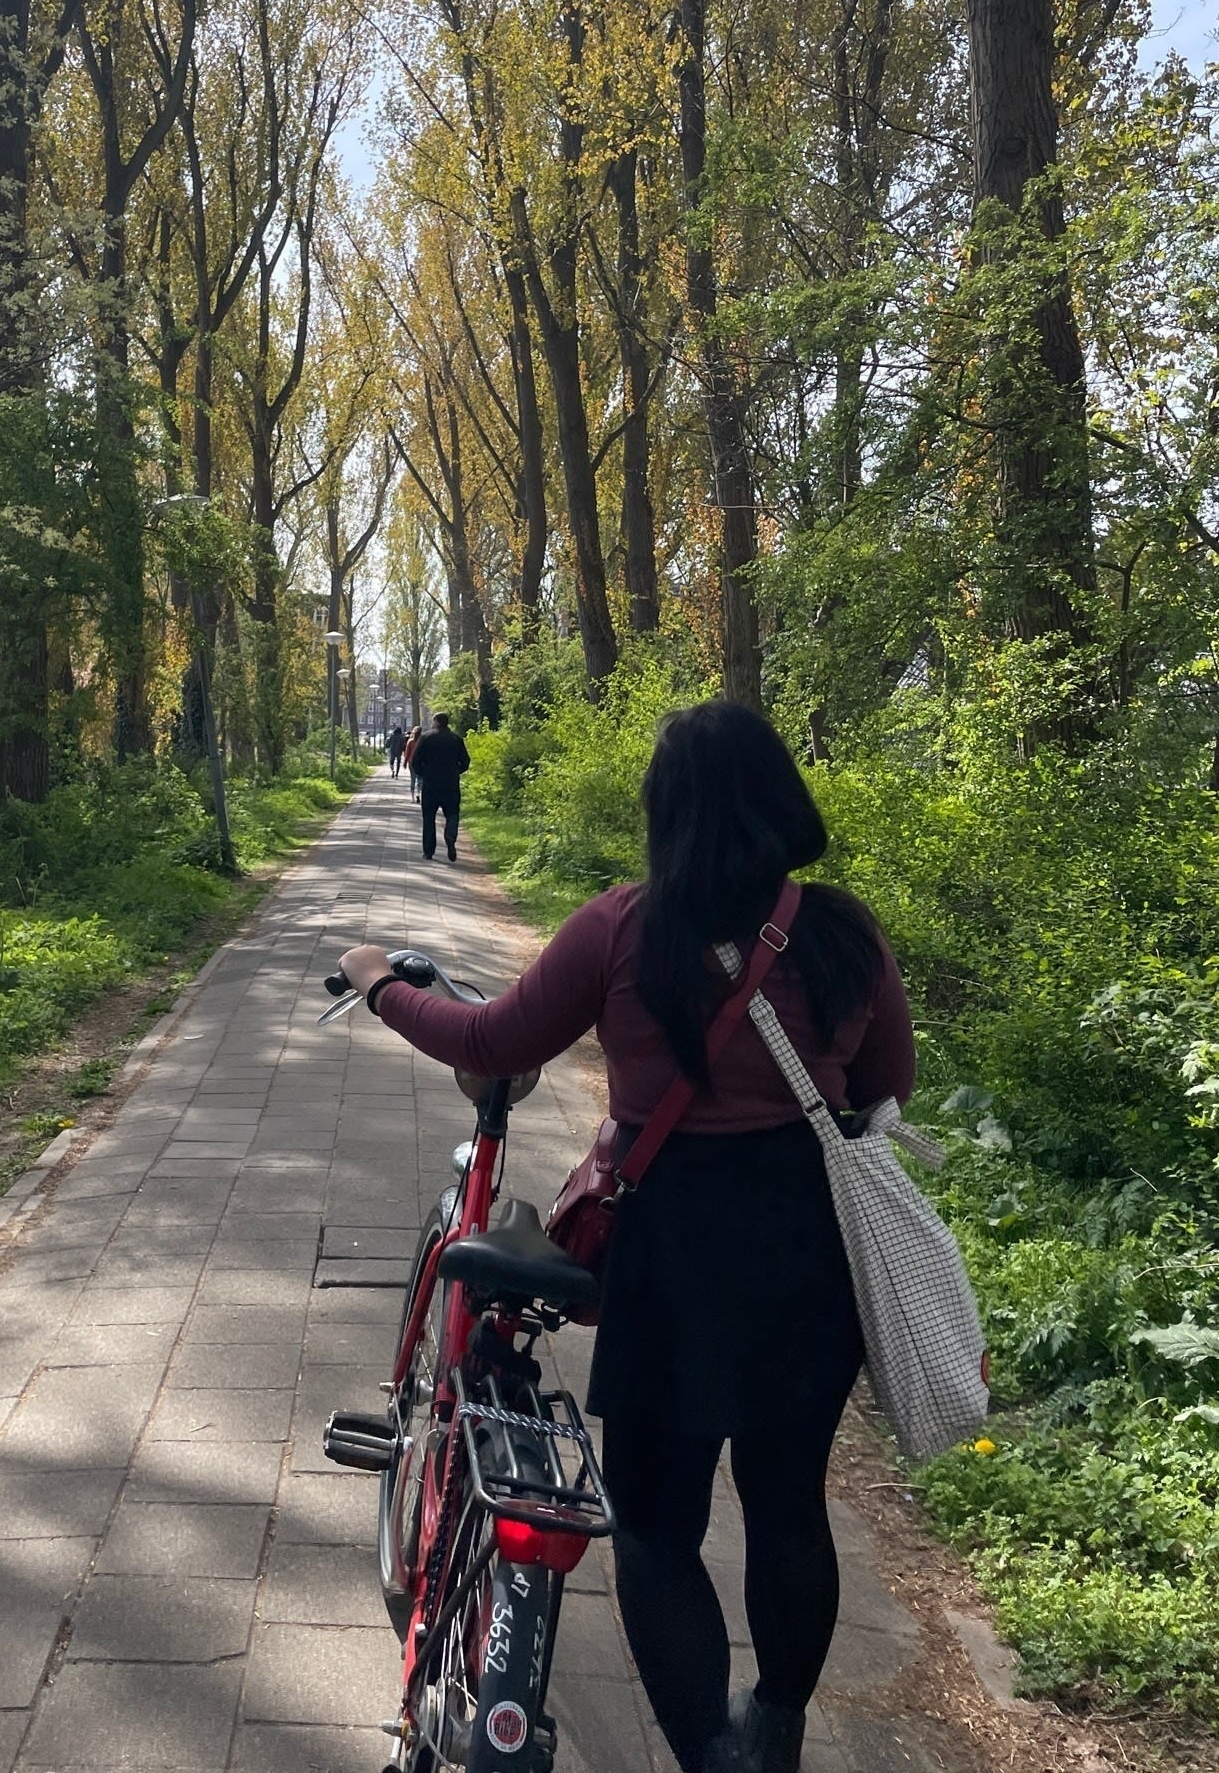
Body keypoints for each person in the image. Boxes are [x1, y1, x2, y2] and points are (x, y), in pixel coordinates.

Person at [333, 700, 915, 1773]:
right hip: (808, 1256)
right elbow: (887, 1091)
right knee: (790, 1506)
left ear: (669, 812)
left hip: (673, 1258)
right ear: (784, 799)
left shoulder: (625, 928)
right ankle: (774, 1729)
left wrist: (377, 985)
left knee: (656, 1526)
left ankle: (708, 1754)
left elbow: (492, 1039)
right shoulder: (844, 934)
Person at [407, 708, 472, 862]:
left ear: (435, 722)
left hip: (430, 785)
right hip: (450, 784)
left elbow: (415, 760)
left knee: (428, 817)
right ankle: (450, 835)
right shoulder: (456, 739)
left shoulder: (426, 738)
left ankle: (429, 851)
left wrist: (423, 773)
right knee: (452, 813)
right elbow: (466, 761)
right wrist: (456, 771)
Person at [402, 722, 422, 798]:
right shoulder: (423, 740)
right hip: (421, 762)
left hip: (412, 762)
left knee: (412, 778)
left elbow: (407, 753)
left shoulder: (410, 741)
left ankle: (412, 797)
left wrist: (405, 762)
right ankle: (419, 794)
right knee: (420, 779)